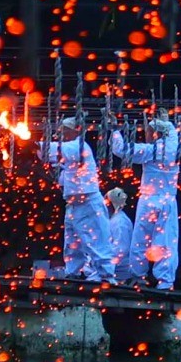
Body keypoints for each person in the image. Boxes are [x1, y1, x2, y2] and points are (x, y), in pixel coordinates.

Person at [110, 113, 180, 289]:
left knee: (141, 239)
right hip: (168, 200)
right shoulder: (174, 145)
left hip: (150, 199)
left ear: (155, 133)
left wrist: (115, 130)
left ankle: (139, 275)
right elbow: (172, 131)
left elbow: (121, 149)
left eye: (148, 132)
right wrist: (165, 120)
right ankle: (165, 281)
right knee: (166, 240)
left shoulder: (151, 150)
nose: (146, 135)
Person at [42, 117, 116, 283]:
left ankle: (106, 275)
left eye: (65, 130)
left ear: (74, 130)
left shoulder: (78, 146)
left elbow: (53, 150)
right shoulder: (69, 155)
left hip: (88, 202)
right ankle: (73, 272)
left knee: (96, 240)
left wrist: (35, 145)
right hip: (74, 204)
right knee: (72, 242)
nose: (62, 134)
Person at [105, 187, 137, 283]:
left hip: (119, 271)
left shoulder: (120, 223)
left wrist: (104, 262)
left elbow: (121, 250)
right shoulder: (113, 219)